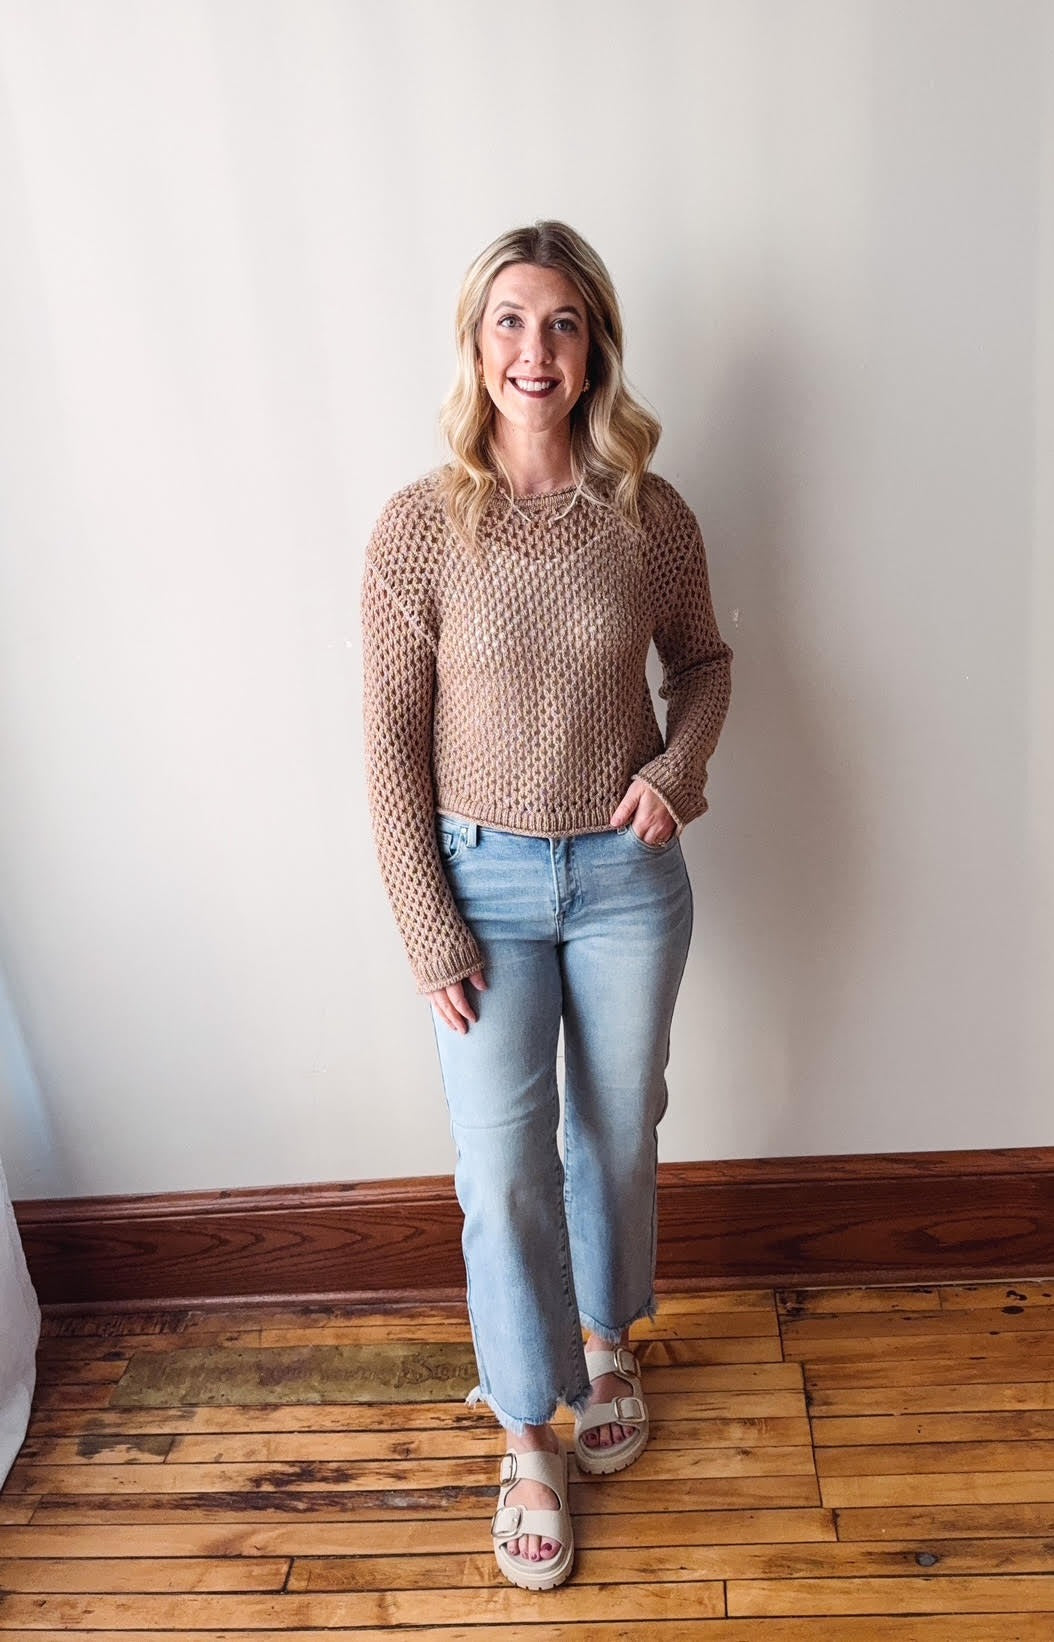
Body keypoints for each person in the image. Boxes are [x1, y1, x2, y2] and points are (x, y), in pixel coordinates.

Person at [361, 220, 732, 1590]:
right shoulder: (419, 527)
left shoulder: (648, 511)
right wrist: (425, 918)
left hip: (627, 880)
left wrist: (676, 771)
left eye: (562, 323)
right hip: (483, 884)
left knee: (618, 1128)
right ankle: (526, 1434)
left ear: (594, 349)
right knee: (500, 1167)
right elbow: (390, 739)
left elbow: (701, 665)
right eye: (510, 321)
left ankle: (604, 1339)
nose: (535, 349)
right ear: (476, 345)